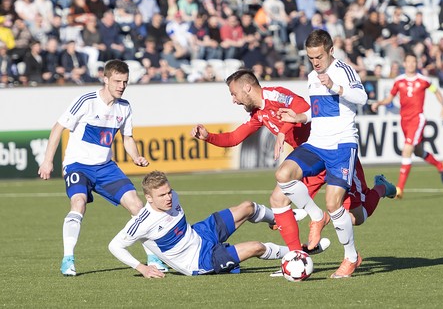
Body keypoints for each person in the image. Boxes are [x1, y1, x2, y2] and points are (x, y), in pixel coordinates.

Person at [191, 70, 395, 274]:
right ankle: (296, 258)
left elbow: (302, 107)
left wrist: (282, 131)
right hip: (309, 161)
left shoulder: (275, 95)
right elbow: (234, 138)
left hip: (333, 151)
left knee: (355, 218)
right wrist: (208, 137)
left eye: (234, 94)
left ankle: (380, 188)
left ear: (247, 87)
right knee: (278, 199)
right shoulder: (258, 114)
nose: (234, 100)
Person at [37, 59, 166, 276]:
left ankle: (153, 257)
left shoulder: (124, 107)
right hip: (78, 165)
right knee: (78, 203)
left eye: (125, 82)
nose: (121, 86)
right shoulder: (86, 101)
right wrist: (48, 160)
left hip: (106, 167)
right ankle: (68, 259)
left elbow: (127, 138)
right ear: (105, 79)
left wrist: (136, 156)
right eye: (117, 81)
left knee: (138, 206)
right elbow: (58, 127)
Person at [274, 29, 368, 278]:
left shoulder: (343, 71)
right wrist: (300, 117)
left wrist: (336, 86)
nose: (315, 62)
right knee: (283, 174)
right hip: (316, 143)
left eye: (319, 57)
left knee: (333, 202)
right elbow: (318, 111)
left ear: (330, 51)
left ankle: (350, 257)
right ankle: (317, 217)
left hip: (341, 145)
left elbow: (362, 96)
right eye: (311, 58)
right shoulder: (311, 76)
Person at [108, 170, 308, 277]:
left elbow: (172, 200)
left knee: (247, 206)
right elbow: (114, 246)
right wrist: (141, 268)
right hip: (198, 260)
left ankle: (277, 219)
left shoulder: (172, 197)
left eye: (169, 191)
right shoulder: (142, 222)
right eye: (162, 195)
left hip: (200, 233)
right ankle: (297, 253)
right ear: (149, 198)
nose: (169, 198)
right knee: (256, 247)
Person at [371, 53, 443, 199]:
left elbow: (436, 91)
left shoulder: (423, 81)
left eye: (414, 62)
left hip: (417, 119)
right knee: (418, 152)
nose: (411, 64)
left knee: (407, 150)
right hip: (404, 121)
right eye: (409, 62)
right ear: (404, 64)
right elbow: (390, 98)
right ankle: (440, 165)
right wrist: (379, 103)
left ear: (417, 63)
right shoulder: (399, 81)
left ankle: (399, 189)